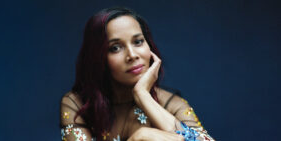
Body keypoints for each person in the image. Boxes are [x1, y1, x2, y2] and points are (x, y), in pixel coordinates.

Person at [60, 7, 215, 141]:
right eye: (115, 48)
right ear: (97, 57)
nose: (132, 55)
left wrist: (143, 95)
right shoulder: (77, 104)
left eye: (138, 41)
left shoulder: (172, 104)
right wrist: (137, 138)